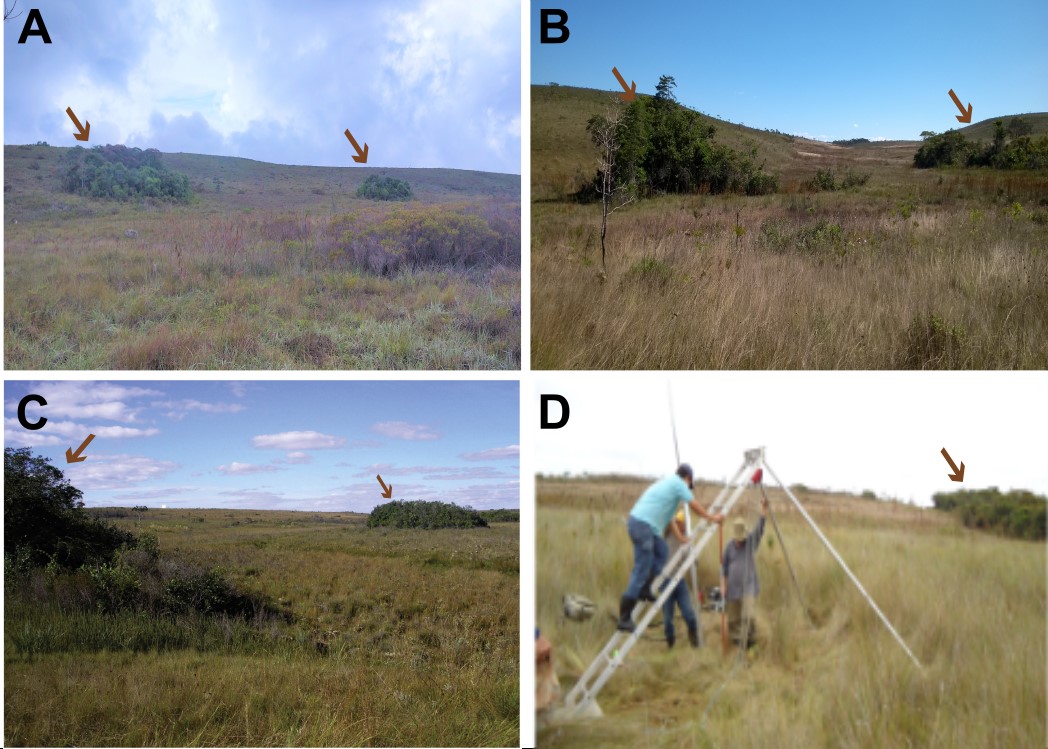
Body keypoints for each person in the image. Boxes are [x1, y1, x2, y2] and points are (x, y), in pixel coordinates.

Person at [618, 463, 724, 632]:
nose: (689, 488)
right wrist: (712, 517)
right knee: (641, 568)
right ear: (688, 478)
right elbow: (693, 504)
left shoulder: (669, 488)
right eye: (690, 484)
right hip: (642, 525)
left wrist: (681, 538)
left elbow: (670, 519)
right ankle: (624, 617)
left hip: (647, 527)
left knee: (662, 551)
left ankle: (646, 587)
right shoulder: (678, 484)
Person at [721, 497, 767, 648]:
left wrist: (763, 512)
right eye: (737, 539)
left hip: (748, 587)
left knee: (748, 616)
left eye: (742, 538)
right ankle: (736, 642)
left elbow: (759, 530)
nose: (740, 541)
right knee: (733, 619)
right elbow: (724, 568)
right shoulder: (728, 546)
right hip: (733, 589)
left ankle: (751, 642)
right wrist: (723, 586)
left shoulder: (750, 543)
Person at [662, 509, 699, 648]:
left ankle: (694, 639)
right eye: (677, 522)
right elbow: (667, 517)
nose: (679, 526)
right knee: (667, 620)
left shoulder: (685, 539)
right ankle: (670, 644)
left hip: (679, 581)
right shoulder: (668, 533)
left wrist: (695, 560)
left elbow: (691, 557)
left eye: (681, 523)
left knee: (688, 613)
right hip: (666, 581)